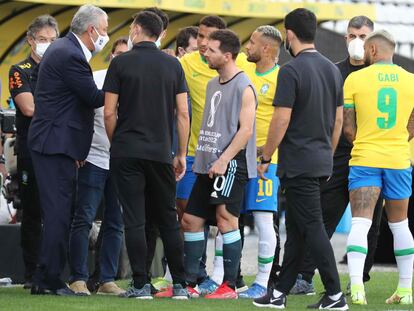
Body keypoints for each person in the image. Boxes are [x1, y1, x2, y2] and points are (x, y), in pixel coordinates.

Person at [253, 8, 347, 310]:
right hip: (320, 160)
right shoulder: (332, 70)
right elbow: (338, 120)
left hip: (299, 162)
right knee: (296, 228)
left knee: (313, 226)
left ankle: (334, 294)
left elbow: (280, 119)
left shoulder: (291, 71)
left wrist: (266, 155)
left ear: (289, 34)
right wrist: (328, 155)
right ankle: (279, 292)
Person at [290, 15, 382, 296]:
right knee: (322, 218)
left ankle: (359, 278)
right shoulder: (333, 71)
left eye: (363, 36)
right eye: (352, 35)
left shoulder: (381, 75)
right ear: (345, 38)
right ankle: (304, 276)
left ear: (373, 41)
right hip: (338, 155)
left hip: (370, 156)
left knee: (370, 222)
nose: (357, 41)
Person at [103, 11, 190, 299]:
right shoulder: (173, 65)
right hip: (161, 151)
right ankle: (179, 283)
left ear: (138, 29)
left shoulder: (120, 63)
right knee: (167, 217)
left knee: (135, 219)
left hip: (127, 151)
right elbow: (183, 114)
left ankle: (140, 284)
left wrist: (119, 142)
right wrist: (181, 152)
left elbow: (108, 112)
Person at [28, 4, 107, 296]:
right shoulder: (71, 55)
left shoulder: (63, 49)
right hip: (54, 144)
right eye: (105, 30)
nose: (105, 36)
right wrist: (124, 84)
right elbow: (93, 96)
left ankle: (44, 277)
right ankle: (49, 278)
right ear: (91, 30)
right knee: (59, 214)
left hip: (57, 144)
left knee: (59, 212)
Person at [177, 15, 253, 295]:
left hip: (231, 164)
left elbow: (245, 131)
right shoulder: (212, 84)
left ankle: (230, 286)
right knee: (190, 221)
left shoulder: (244, 85)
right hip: (207, 163)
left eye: (210, 50)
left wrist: (223, 159)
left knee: (225, 221)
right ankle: (190, 284)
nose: (204, 52)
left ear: (228, 55)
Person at [343, 30, 414, 306]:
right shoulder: (411, 80)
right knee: (400, 225)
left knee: (361, 223)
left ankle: (358, 289)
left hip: (365, 158)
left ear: (372, 50)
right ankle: (406, 290)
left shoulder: (355, 78)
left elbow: (349, 127)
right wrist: (398, 139)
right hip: (397, 160)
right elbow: (412, 122)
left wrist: (365, 140)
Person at [68, 38, 128, 296]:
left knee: (116, 222)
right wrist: (78, 150)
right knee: (84, 218)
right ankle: (78, 278)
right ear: (112, 55)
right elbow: (79, 116)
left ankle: (106, 279)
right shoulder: (96, 78)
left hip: (122, 162)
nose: (123, 59)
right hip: (93, 158)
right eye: (119, 54)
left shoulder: (138, 83)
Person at [8, 15, 59, 290]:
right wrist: (61, 113)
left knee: (59, 211)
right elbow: (28, 108)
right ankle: (31, 271)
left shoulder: (61, 68)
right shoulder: (20, 70)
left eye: (52, 40)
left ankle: (54, 270)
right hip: (31, 149)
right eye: (42, 40)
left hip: (59, 150)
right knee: (32, 211)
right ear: (30, 40)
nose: (47, 45)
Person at [238, 25, 282, 299]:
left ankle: (263, 282)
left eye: (252, 42)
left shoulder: (281, 77)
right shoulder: (243, 67)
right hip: (237, 157)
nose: (247, 46)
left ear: (266, 48)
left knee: (264, 219)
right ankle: (222, 277)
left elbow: (284, 122)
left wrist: (265, 152)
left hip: (268, 162)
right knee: (227, 218)